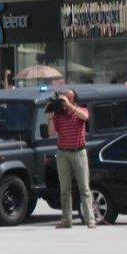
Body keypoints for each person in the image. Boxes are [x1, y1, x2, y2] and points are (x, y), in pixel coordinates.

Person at [48, 90, 96, 229]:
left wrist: (69, 106)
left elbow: (85, 117)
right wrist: (51, 114)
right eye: (64, 98)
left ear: (74, 99)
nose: (65, 100)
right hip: (63, 153)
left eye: (68, 97)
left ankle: (90, 219)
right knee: (65, 189)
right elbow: (51, 133)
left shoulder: (80, 110)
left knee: (84, 188)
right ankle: (66, 220)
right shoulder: (59, 115)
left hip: (79, 152)